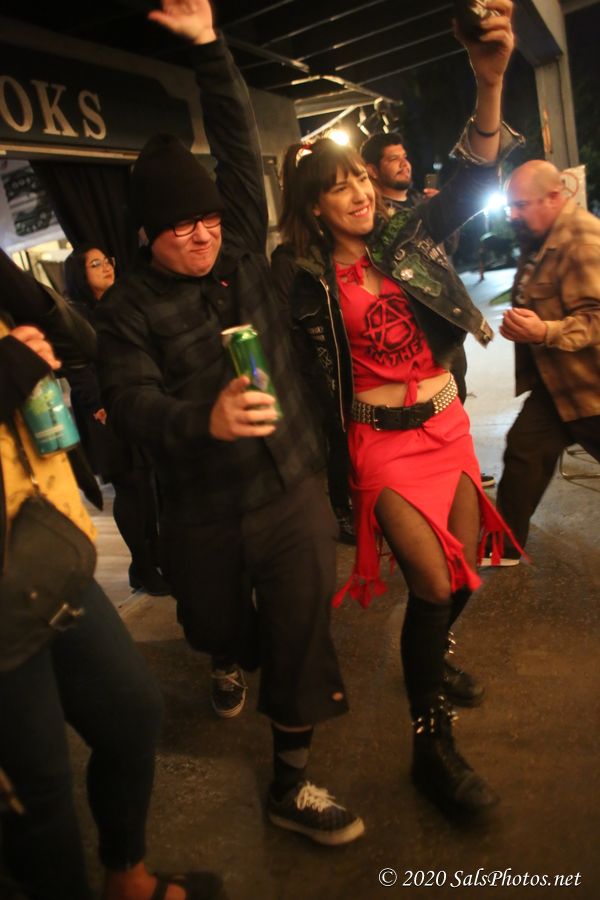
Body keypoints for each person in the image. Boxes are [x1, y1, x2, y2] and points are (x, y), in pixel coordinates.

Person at [97, 0, 364, 846]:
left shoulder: (243, 246)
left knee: (300, 630)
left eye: (209, 218)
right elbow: (130, 403)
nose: (203, 236)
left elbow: (240, 146)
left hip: (291, 484)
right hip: (204, 509)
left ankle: (291, 782)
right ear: (148, 235)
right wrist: (200, 419)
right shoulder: (127, 308)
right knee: (215, 624)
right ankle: (222, 652)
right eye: (182, 227)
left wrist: (211, 48)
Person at [279, 0, 522, 816]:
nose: (355, 192)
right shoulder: (305, 280)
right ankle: (432, 747)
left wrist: (488, 81)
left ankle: (434, 663)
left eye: (358, 178)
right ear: (315, 205)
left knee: (459, 579)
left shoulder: (407, 236)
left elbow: (473, 176)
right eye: (336, 187)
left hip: (445, 425)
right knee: (431, 582)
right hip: (380, 444)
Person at [0, 249, 221, 900]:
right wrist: (8, 369)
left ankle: (127, 876)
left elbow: (82, 342)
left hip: (49, 549)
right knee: (39, 788)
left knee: (132, 713)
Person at [360, 130, 497, 489]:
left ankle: (460, 464)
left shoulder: (419, 204)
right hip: (414, 332)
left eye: (404, 156)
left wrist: (439, 213)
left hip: (444, 320)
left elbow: (446, 251)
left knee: (455, 399)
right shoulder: (372, 219)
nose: (404, 163)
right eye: (393, 158)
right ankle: (440, 474)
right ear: (372, 170)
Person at [484, 160, 600, 564]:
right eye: (510, 206)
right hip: (560, 385)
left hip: (592, 389)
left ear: (554, 197)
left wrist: (544, 331)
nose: (512, 215)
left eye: (520, 205)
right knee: (524, 451)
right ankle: (502, 547)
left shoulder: (581, 241)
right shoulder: (543, 234)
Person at [64, 244, 170, 597]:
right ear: (81, 276)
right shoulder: (76, 315)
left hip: (130, 401)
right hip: (103, 412)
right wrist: (99, 405)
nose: (107, 267)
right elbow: (78, 368)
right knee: (131, 485)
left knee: (147, 482)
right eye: (96, 264)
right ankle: (142, 564)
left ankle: (150, 560)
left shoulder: (119, 304)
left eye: (107, 260)